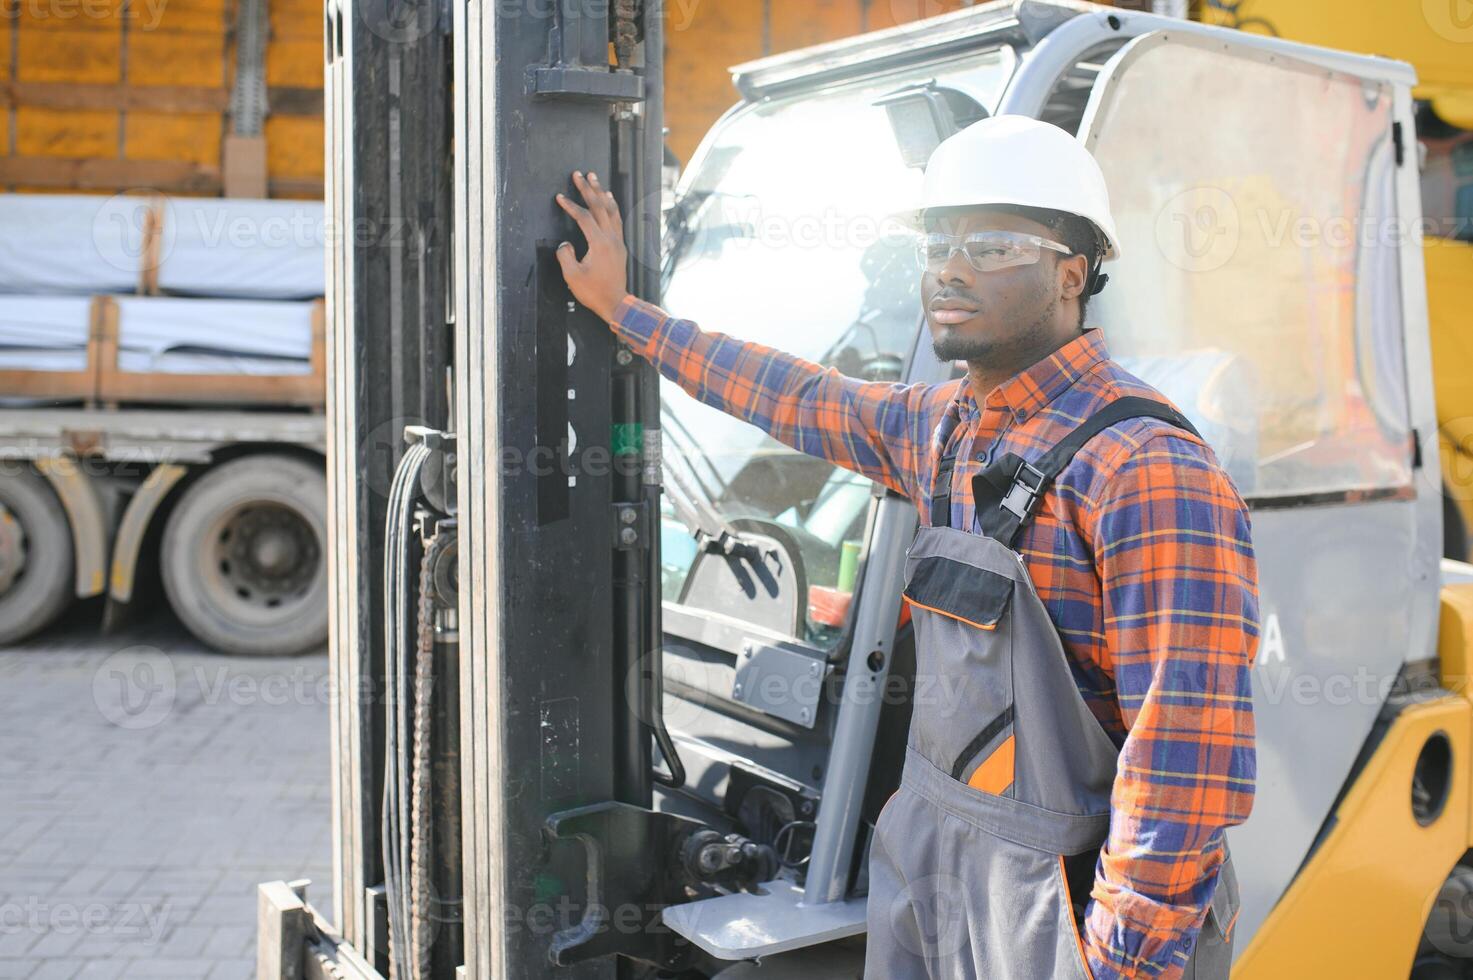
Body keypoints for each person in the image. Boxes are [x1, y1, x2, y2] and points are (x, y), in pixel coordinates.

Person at [555, 114, 1258, 980]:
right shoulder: (943, 429)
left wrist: (1121, 963)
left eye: (994, 244)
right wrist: (623, 313)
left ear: (1071, 275)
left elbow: (1182, 754)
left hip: (1066, 901)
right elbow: (793, 394)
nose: (951, 267)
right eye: (937, 243)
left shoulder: (1143, 468)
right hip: (935, 857)